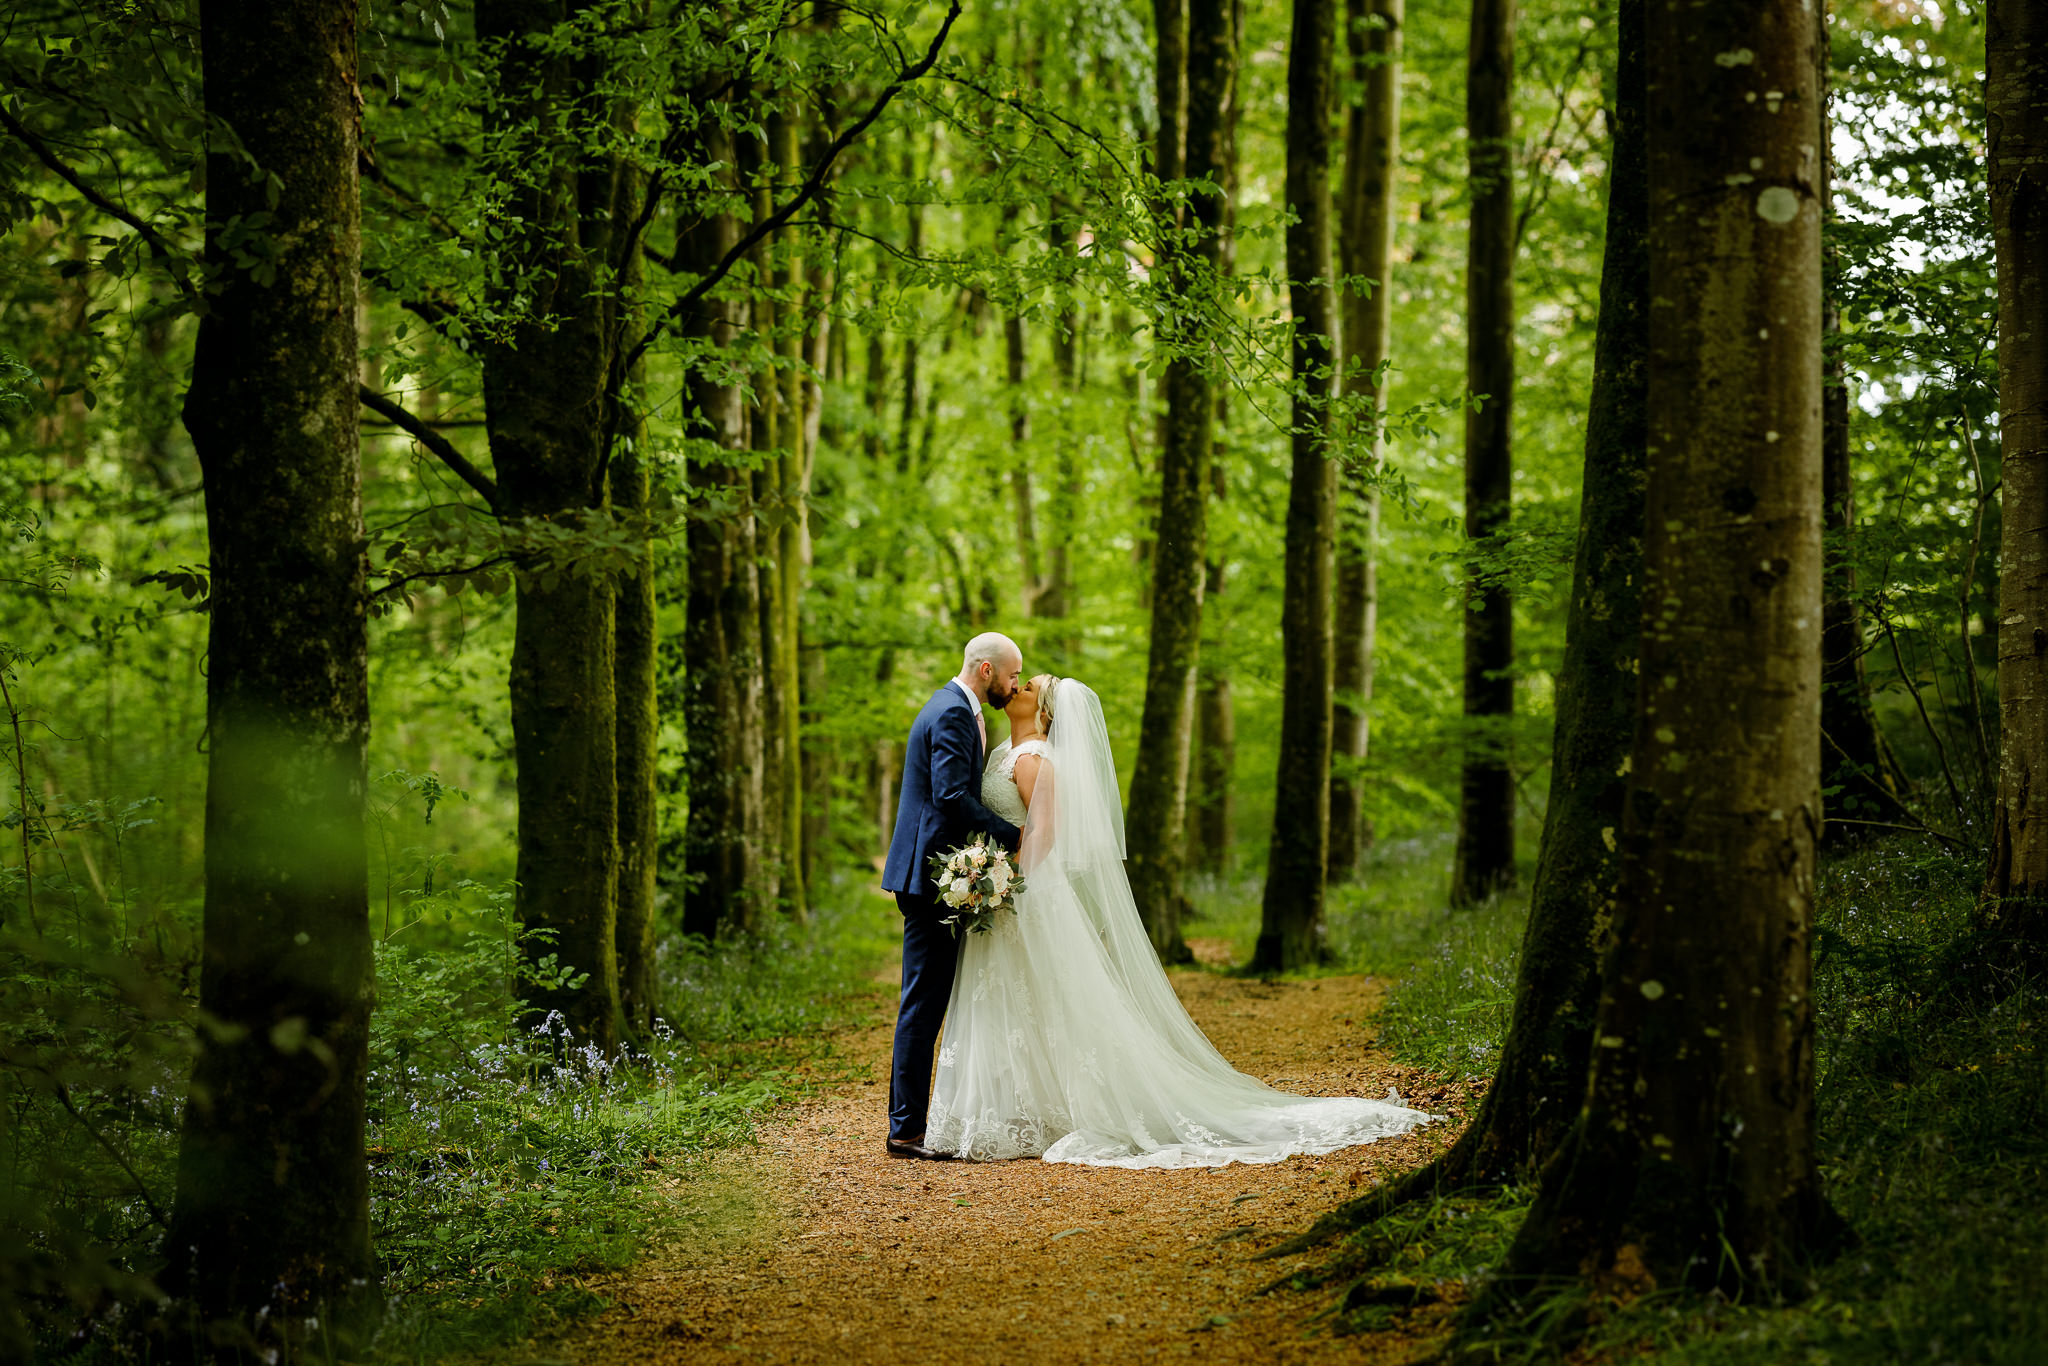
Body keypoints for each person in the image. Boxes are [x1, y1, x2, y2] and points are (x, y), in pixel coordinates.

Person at [926, 674, 1433, 1167]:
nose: (1017, 687)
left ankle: (1053, 1112)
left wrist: (1006, 885)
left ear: (1044, 712)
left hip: (1027, 896)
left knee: (1043, 998)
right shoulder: (1000, 753)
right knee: (1015, 999)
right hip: (1005, 896)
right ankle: (1012, 1111)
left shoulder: (1036, 759)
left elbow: (1044, 833)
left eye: (1028, 687)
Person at [878, 632, 1025, 1160]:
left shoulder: (960, 708)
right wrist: (1013, 837)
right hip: (930, 880)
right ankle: (905, 1131)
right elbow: (951, 795)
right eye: (1012, 675)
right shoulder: (952, 713)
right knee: (922, 1004)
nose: (1015, 684)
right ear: (986, 670)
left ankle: (910, 1123)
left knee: (929, 1001)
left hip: (941, 876)